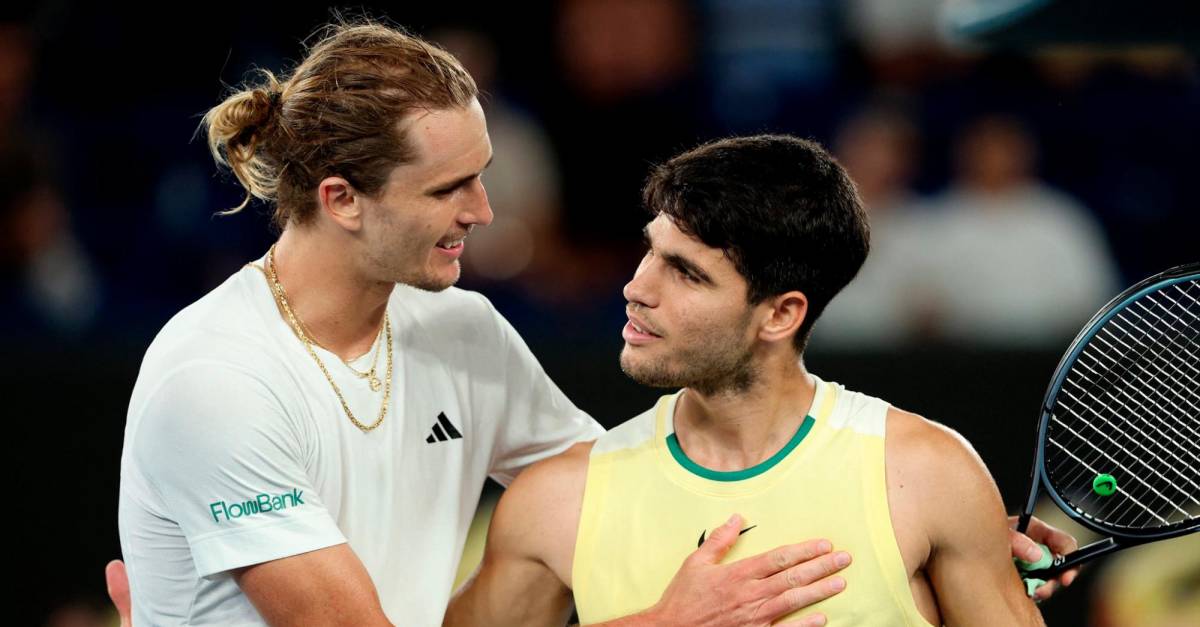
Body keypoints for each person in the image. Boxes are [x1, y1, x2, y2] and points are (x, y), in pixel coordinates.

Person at [111, 20, 1076, 627]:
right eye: (451, 186)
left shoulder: (463, 330)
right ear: (342, 198)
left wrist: (952, 530)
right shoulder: (218, 381)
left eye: (483, 171)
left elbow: (632, 488)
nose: (486, 211)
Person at [444, 135, 1079, 627]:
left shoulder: (927, 476)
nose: (637, 288)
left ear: (781, 314)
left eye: (686, 273)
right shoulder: (556, 502)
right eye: (650, 250)